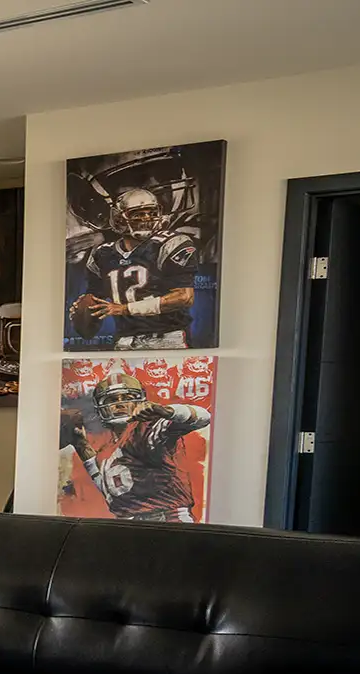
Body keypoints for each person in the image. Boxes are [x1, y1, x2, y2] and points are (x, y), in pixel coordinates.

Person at [61, 368, 211, 522]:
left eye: (127, 397)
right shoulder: (107, 451)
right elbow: (108, 489)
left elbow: (203, 418)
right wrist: (81, 445)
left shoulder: (147, 429)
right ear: (100, 407)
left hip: (166, 521)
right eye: (111, 399)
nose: (120, 403)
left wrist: (166, 411)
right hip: (130, 524)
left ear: (140, 401)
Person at [69, 188, 201, 348]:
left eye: (152, 213)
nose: (147, 218)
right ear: (119, 218)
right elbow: (95, 298)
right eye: (138, 214)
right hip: (124, 339)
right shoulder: (102, 253)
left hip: (168, 338)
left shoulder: (170, 244)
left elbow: (184, 297)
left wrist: (124, 309)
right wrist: (83, 310)